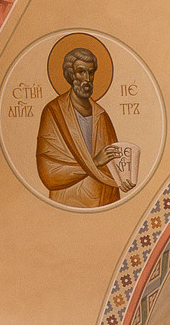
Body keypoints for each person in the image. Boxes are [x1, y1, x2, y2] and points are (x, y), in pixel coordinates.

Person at [35, 40, 129, 205]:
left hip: (103, 200)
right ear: (71, 75)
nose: (87, 78)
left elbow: (113, 163)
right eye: (81, 72)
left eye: (90, 72)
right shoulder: (53, 112)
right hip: (69, 201)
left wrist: (123, 179)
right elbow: (49, 172)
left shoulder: (102, 116)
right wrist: (94, 163)